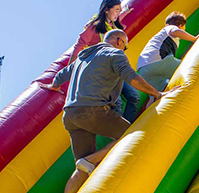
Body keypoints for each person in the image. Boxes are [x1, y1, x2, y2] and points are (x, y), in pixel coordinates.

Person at [42, 29, 164, 193]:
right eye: (125, 47)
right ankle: (90, 159)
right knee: (133, 135)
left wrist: (53, 86)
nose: (124, 50)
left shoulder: (83, 57)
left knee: (82, 170)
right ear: (120, 41)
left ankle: (86, 163)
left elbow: (62, 75)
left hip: (70, 115)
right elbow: (131, 77)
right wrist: (157, 94)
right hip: (92, 110)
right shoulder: (115, 54)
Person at [70, 0, 138, 120]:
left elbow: (113, 23)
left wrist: (124, 13)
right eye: (116, 10)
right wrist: (71, 70)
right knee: (117, 103)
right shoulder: (94, 27)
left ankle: (129, 126)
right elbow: (79, 46)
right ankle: (120, 134)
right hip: (102, 71)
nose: (118, 13)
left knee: (134, 96)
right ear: (106, 10)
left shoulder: (111, 25)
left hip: (115, 69)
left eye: (119, 10)